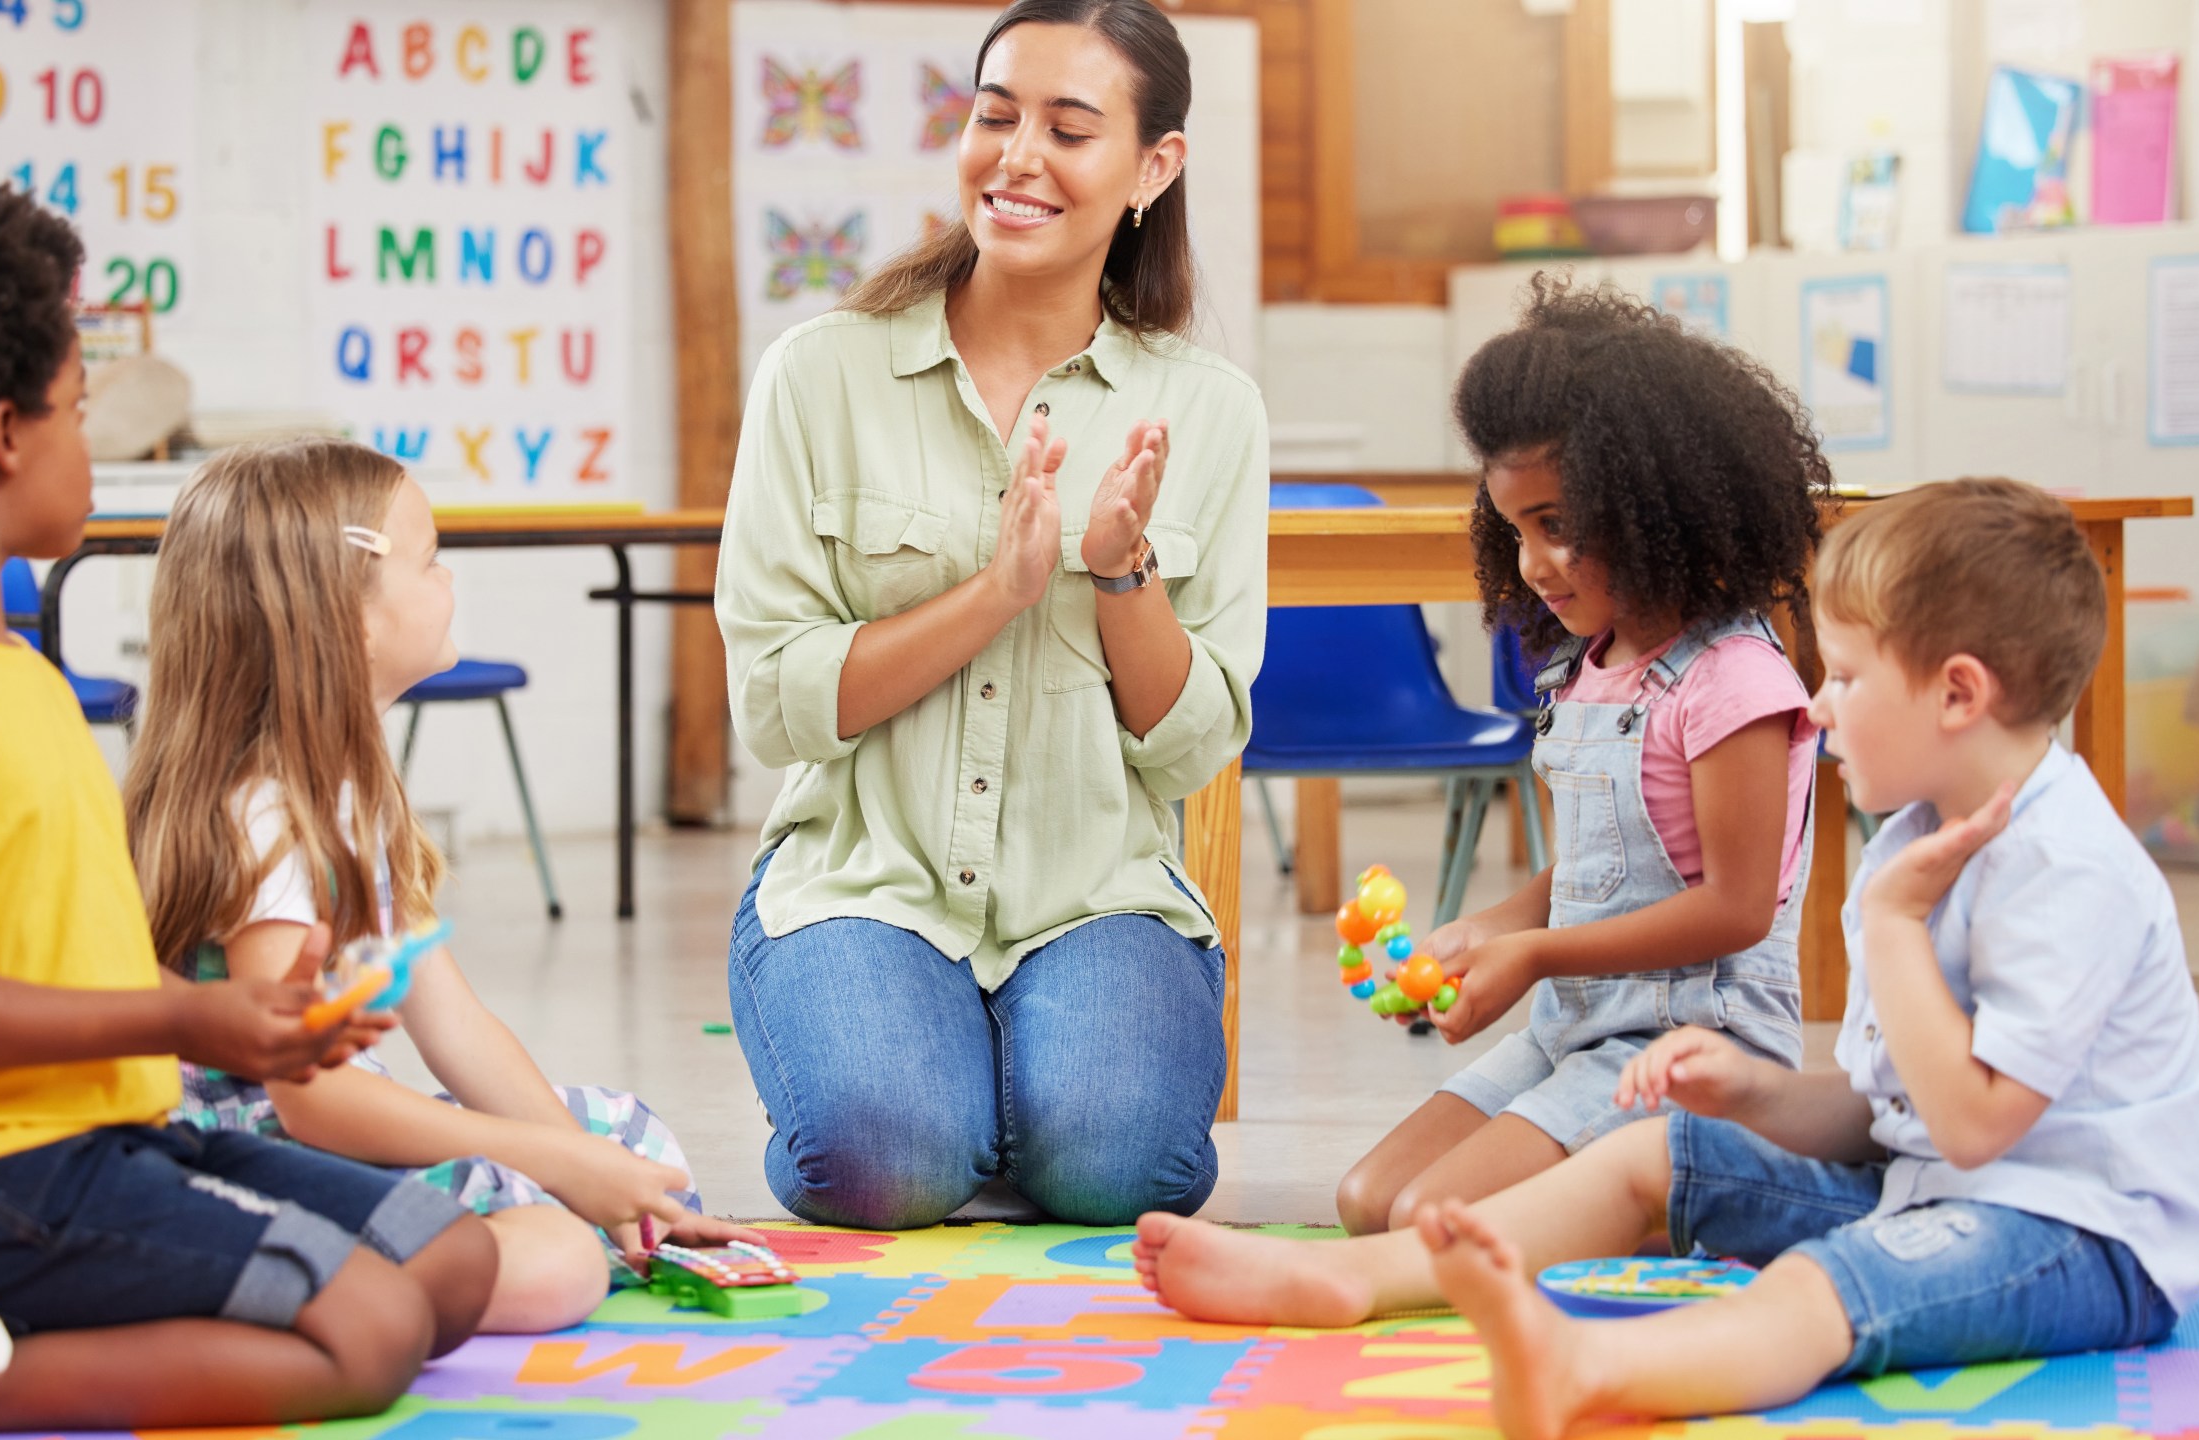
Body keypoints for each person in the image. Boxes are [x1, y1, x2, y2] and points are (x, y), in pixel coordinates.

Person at [1134, 479, 2199, 1440]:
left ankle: (1595, 1369)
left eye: (1842, 676)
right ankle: (1345, 1281)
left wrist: (1886, 930)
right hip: (1924, 1186)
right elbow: (1896, 1113)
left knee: (1817, 1286)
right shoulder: (1914, 839)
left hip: (2079, 1237)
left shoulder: (2061, 868)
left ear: (1956, 693)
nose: (1818, 704)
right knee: (1653, 1152)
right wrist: (1755, 1091)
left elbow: (1979, 1125)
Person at [0, 177, 496, 1438]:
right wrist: (193, 1015)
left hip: (103, 1135)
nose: (93, 448)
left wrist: (264, 1019)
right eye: (77, 412)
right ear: (5, 434)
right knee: (374, 1332)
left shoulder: (17, 671)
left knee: (451, 1262)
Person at [714, 0, 1268, 1228]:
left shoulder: (1211, 409)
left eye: (1069, 130)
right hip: (864, 880)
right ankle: (922, 1084)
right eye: (993, 115)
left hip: (1095, 894)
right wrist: (998, 594)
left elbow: (1190, 746)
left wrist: (1121, 577)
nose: (1015, 158)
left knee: (1123, 1174)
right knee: (883, 1165)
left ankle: (1007, 1089)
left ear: (1152, 167)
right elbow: (779, 703)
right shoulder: (821, 372)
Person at [124, 439, 753, 1335]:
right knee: (558, 1263)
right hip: (254, 1157)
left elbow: (451, 1020)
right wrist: (547, 1165)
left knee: (626, 1140)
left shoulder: (349, 791)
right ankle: (284, 1296)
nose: (450, 579)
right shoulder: (269, 822)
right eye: (429, 561)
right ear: (353, 617)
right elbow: (308, 1100)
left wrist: (575, 1160)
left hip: (339, 1128)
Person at [1335, 278, 1832, 1233]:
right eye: (1515, 528)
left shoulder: (1733, 681)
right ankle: (1613, 1196)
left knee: (1428, 1220)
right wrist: (1491, 928)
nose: (1533, 563)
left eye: (1559, 524)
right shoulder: (1589, 667)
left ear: (1657, 504)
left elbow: (1732, 907)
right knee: (1370, 1204)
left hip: (1692, 1042)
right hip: (1577, 1029)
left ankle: (1705, 1179)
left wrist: (1536, 954)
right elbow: (1616, 868)